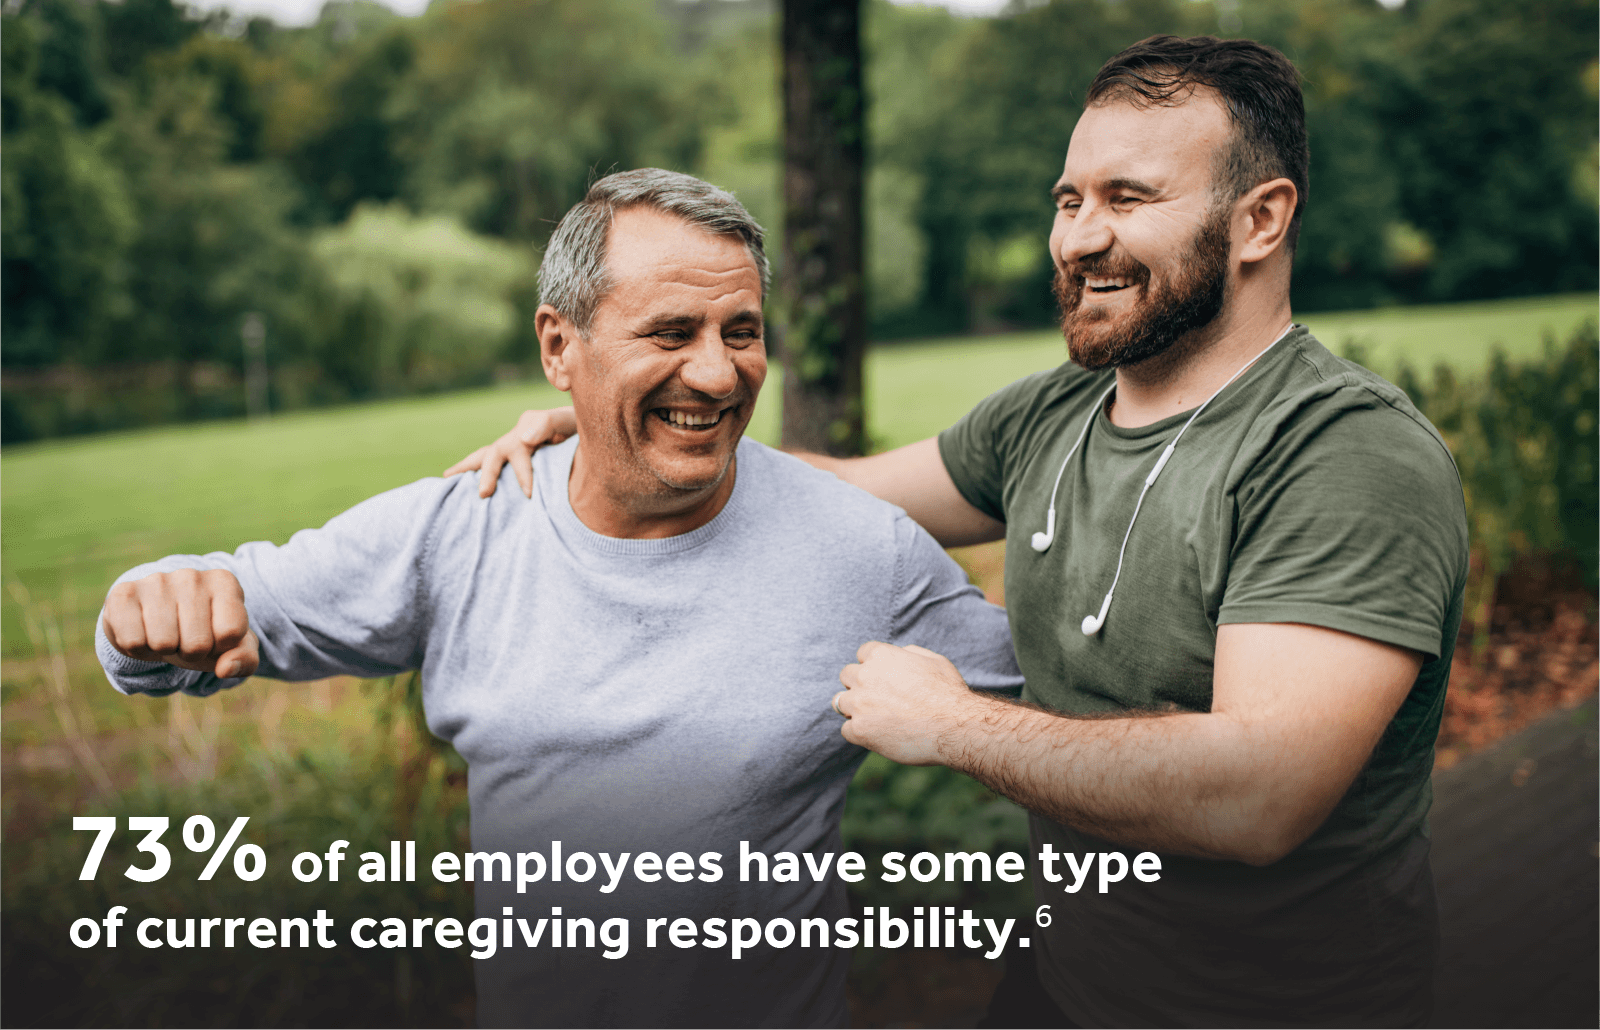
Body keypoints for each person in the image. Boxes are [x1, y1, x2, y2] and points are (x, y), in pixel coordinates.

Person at [456, 37, 1469, 1029]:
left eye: (1127, 199)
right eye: (1069, 201)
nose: (1078, 239)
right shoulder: (1051, 414)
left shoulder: (1343, 453)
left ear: (1259, 220)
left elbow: (1259, 797)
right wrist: (617, 432)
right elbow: (842, 492)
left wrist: (953, 726)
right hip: (1064, 984)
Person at [94, 168, 1022, 1029]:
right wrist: (147, 610)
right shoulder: (464, 527)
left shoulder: (860, 549)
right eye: (671, 333)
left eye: (740, 332)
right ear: (558, 346)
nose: (716, 373)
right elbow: (211, 611)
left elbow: (1067, 709)